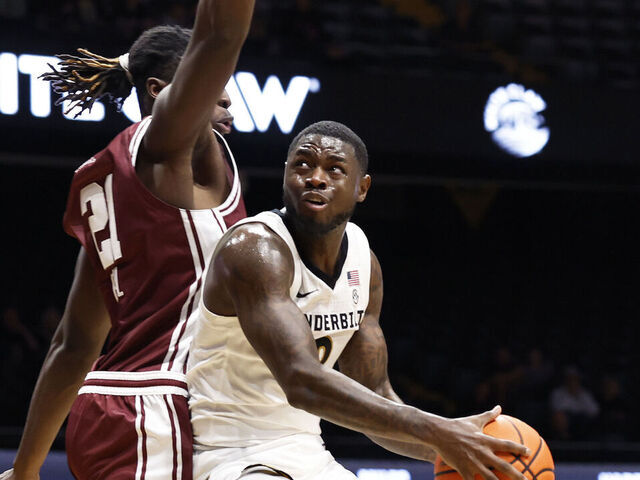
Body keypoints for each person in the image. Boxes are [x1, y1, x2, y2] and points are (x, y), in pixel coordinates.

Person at [186, 120, 531, 480]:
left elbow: (376, 393)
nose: (316, 178)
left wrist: (454, 450)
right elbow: (301, 380)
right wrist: (437, 430)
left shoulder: (363, 263)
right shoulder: (255, 250)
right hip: (229, 454)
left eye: (334, 170)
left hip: (305, 451)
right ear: (285, 174)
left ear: (361, 188)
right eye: (302, 165)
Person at [2, 1, 255, 479]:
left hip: (118, 408)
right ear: (160, 92)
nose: (225, 101)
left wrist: (24, 469)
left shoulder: (108, 179)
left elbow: (74, 345)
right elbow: (221, 35)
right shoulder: (171, 148)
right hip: (155, 413)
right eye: (213, 88)